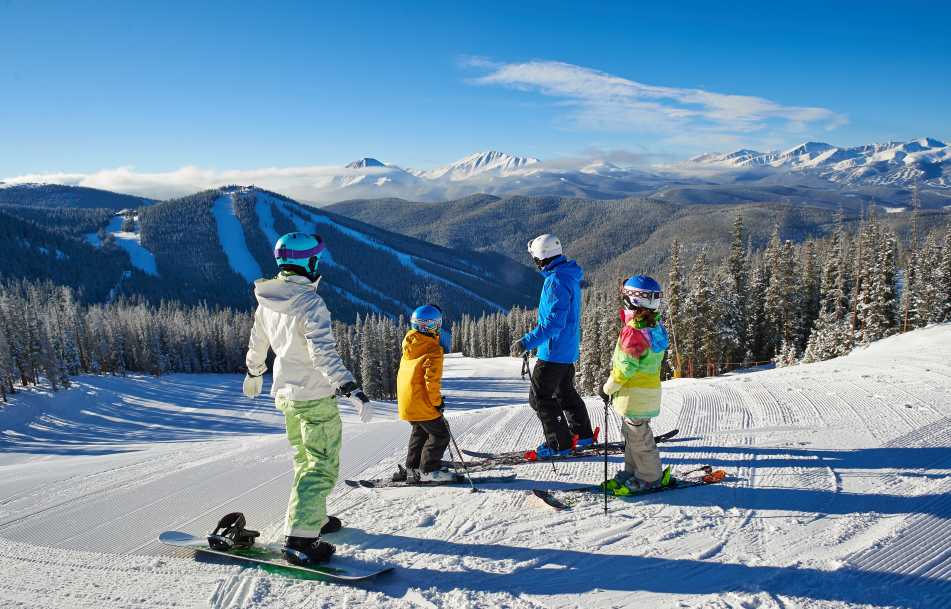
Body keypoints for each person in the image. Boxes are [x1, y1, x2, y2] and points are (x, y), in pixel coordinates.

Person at [243, 232, 373, 566]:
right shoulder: (311, 303)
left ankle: (311, 517)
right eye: (316, 259)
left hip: (286, 395)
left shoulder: (267, 299)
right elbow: (322, 352)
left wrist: (255, 372)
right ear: (309, 263)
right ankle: (301, 538)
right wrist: (348, 386)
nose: (319, 265)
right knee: (322, 466)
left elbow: (258, 341)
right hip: (315, 395)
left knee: (305, 460)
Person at [511, 234, 594, 459]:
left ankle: (559, 443)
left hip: (554, 351)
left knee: (539, 398)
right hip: (566, 348)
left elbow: (553, 323)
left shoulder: (556, 280)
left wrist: (527, 341)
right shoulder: (567, 275)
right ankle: (582, 433)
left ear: (540, 258)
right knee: (564, 392)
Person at [599, 275, 672, 494]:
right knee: (632, 436)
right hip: (648, 392)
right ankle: (633, 472)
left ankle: (650, 477)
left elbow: (624, 369)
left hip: (634, 395)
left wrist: (607, 388)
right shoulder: (655, 327)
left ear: (633, 301)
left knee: (639, 438)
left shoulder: (633, 332)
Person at [394, 304, 453, 482]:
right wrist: (437, 402)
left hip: (407, 403)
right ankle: (428, 469)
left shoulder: (410, 345)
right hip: (422, 402)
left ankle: (412, 468)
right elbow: (431, 382)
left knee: (419, 431)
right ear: (431, 326)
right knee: (440, 433)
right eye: (438, 323)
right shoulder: (433, 350)